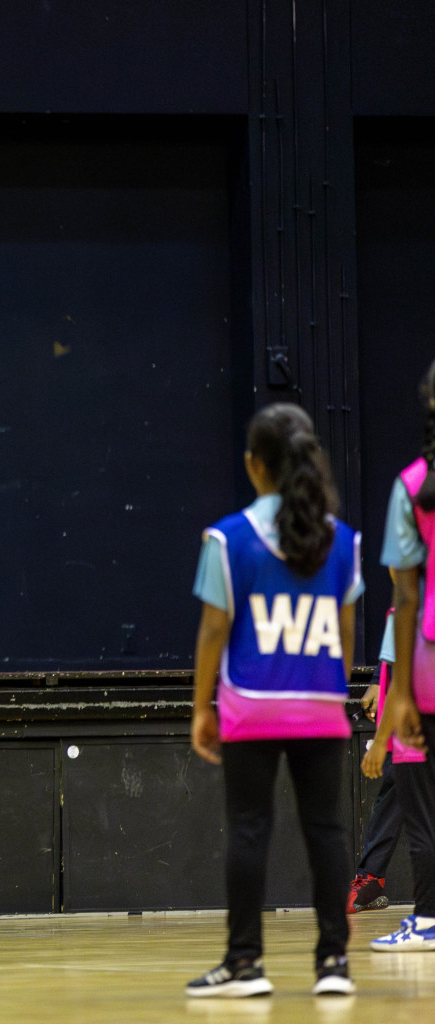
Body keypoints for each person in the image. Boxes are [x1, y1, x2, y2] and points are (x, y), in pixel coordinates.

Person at [186, 403, 361, 998]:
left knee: (249, 830)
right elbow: (344, 633)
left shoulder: (228, 537)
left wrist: (202, 707)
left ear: (254, 465)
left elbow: (214, 631)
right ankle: (333, 964)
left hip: (251, 704)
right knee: (328, 833)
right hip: (320, 703)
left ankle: (244, 964)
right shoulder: (342, 541)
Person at [370, 357, 435, 952]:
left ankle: (430, 919)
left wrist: (402, 696)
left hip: (428, 669)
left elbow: (405, 595)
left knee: (422, 807)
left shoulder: (413, 484)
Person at [347, 599, 426, 914]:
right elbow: (400, 632)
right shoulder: (411, 588)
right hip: (418, 702)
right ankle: (371, 878)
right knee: (398, 780)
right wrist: (380, 680)